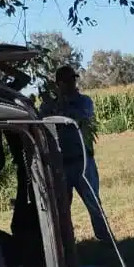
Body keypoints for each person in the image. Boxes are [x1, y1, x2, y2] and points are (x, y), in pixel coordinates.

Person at [39, 65, 112, 243]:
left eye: (73, 79)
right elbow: (41, 122)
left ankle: (105, 239)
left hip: (83, 162)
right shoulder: (49, 105)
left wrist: (61, 105)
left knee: (94, 203)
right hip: (61, 164)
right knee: (62, 207)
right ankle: (66, 243)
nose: (72, 83)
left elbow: (79, 117)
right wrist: (50, 104)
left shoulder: (84, 101)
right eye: (67, 81)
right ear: (58, 84)